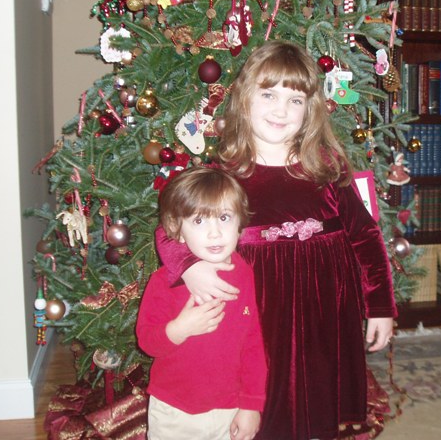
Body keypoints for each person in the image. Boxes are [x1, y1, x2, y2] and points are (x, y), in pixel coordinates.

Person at [155, 40, 398, 439]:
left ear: (310, 109)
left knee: (319, 395)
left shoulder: (327, 166)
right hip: (260, 309)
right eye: (268, 95)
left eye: (295, 100)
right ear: (244, 99)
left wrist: (381, 307)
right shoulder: (225, 176)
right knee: (266, 399)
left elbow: (366, 235)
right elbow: (170, 231)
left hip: (326, 307)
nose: (281, 111)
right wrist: (190, 266)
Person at [137, 167, 267, 440]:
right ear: (177, 230)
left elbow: (253, 345)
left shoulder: (245, 275)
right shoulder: (164, 281)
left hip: (230, 410)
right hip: (174, 411)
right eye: (198, 221)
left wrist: (252, 404)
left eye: (224, 217)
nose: (215, 233)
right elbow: (147, 342)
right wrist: (179, 329)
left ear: (240, 224)